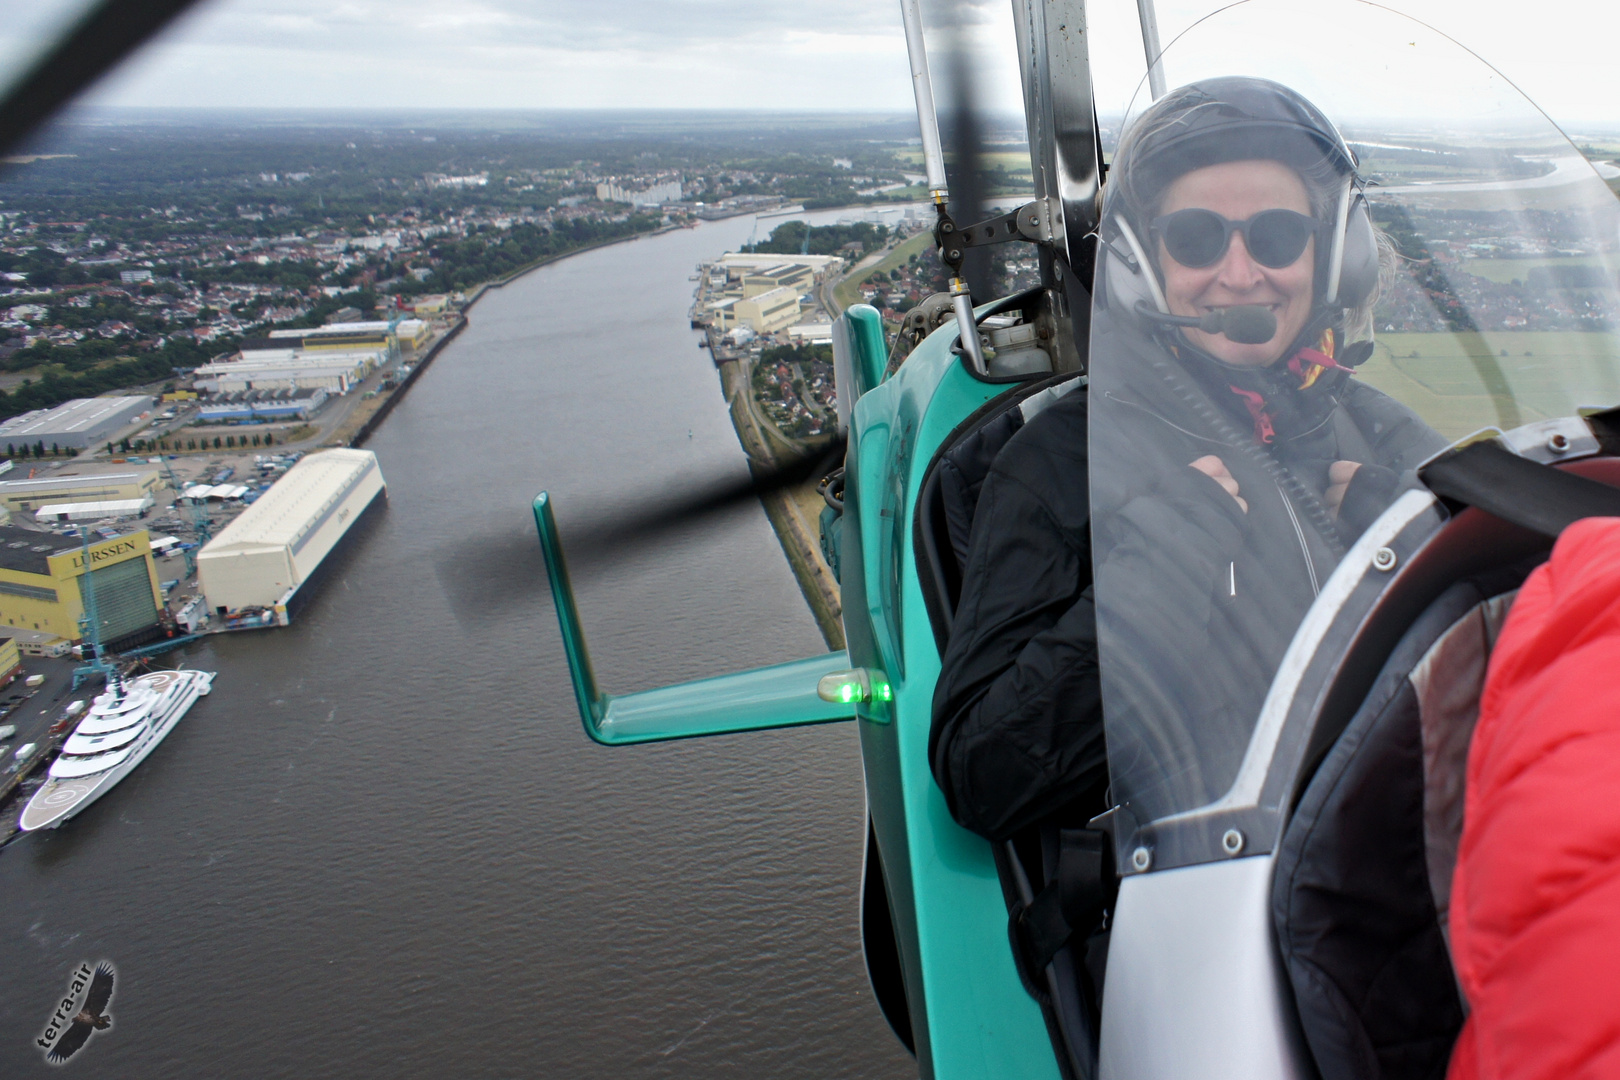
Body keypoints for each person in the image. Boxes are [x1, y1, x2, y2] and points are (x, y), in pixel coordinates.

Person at [930, 76, 1448, 840]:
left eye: (1277, 236)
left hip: (1394, 861)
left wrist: (1419, 550)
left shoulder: (1378, 432)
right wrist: (1156, 579)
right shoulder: (1059, 468)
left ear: (1336, 254)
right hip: (1196, 902)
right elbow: (984, 781)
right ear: (1142, 264)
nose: (1240, 275)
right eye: (1197, 239)